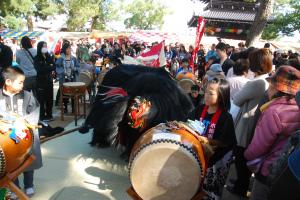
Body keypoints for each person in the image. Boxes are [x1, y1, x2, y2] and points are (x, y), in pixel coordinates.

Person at [244, 66, 300, 200]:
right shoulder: (298, 109)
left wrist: (246, 155)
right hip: (285, 170)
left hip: (267, 171)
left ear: (276, 89)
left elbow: (258, 146)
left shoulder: (273, 112)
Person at [227, 48, 273, 197]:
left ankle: (240, 187)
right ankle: (240, 183)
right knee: (243, 158)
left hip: (247, 123)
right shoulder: (267, 80)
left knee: (241, 158)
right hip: (253, 121)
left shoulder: (257, 82)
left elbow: (237, 99)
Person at [189, 78, 236, 200]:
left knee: (210, 193)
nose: (206, 96)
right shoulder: (199, 110)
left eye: (211, 93)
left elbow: (225, 142)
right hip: (198, 156)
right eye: (206, 92)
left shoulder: (226, 117)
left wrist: (205, 140)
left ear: (221, 96)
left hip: (215, 161)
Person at [0, 67, 42, 198]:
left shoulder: (27, 95)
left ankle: (29, 184)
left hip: (26, 136)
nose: (22, 85)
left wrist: (22, 123)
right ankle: (15, 187)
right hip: (7, 140)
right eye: (20, 82)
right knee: (11, 164)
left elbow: (34, 112)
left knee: (27, 160)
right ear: (8, 81)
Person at [34, 41, 55, 121]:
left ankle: (49, 115)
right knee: (41, 100)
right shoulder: (37, 58)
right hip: (40, 82)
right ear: (40, 47)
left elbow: (54, 66)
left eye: (46, 46)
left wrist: (47, 67)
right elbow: (39, 70)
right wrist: (48, 67)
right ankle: (42, 117)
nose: (45, 48)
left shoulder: (49, 56)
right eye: (43, 46)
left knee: (49, 99)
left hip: (49, 81)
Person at [55, 43, 80, 113]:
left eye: (69, 48)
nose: (69, 50)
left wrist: (74, 68)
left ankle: (73, 108)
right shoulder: (60, 58)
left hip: (72, 78)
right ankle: (65, 107)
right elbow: (57, 67)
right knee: (64, 93)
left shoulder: (74, 58)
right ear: (64, 49)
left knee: (73, 93)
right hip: (64, 79)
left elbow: (78, 67)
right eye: (67, 48)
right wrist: (63, 71)